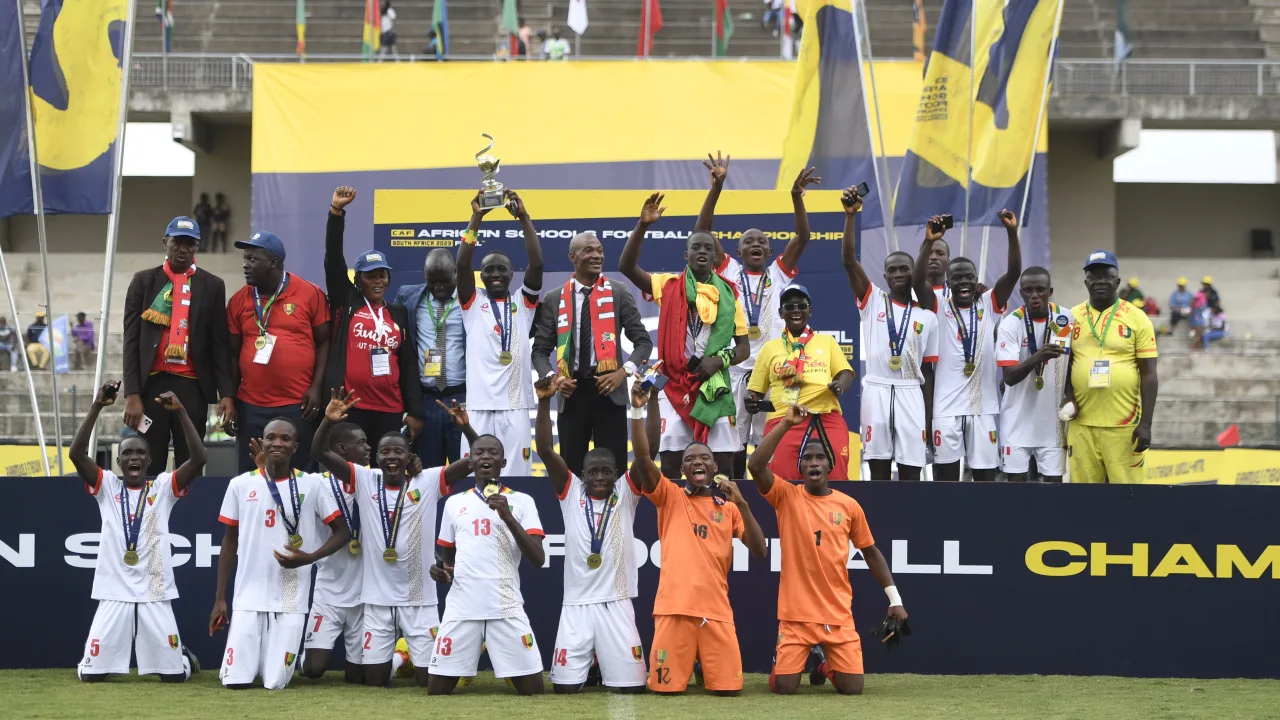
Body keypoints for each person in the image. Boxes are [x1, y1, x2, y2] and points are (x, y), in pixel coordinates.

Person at [315, 389, 476, 687]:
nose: (391, 457)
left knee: (429, 682)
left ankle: (421, 658)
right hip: (377, 602)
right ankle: (401, 658)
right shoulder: (364, 479)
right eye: (385, 452)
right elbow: (319, 454)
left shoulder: (426, 480)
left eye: (398, 452)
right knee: (373, 680)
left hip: (419, 601)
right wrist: (326, 421)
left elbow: (474, 461)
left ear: (409, 456)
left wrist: (465, 427)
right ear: (375, 458)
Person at [749, 404, 908, 696]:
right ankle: (783, 664)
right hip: (796, 616)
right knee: (784, 688)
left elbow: (871, 552)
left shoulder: (848, 506)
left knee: (853, 689)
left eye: (820, 457)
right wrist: (786, 423)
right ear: (800, 466)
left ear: (829, 464)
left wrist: (894, 598)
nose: (813, 463)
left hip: (837, 613)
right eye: (807, 458)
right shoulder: (786, 496)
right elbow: (756, 465)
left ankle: (822, 666)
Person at [627, 380, 766, 695]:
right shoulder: (670, 497)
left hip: (715, 612)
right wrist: (637, 410)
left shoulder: (729, 508)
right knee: (666, 691)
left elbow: (760, 550)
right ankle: (693, 662)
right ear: (682, 468)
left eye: (704, 458)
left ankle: (702, 662)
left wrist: (742, 503)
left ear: (715, 467)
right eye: (690, 459)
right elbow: (644, 460)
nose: (697, 462)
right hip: (673, 611)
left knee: (729, 692)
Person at [70, 381, 205, 683]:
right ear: (118, 461)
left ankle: (180, 656)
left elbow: (198, 460)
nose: (133, 457)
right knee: (91, 677)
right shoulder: (106, 486)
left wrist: (181, 411)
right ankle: (91, 660)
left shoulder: (162, 488)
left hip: (155, 589)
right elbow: (76, 454)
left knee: (173, 678)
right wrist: (97, 406)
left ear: (149, 460)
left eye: (139, 453)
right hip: (114, 589)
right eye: (127, 453)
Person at [696, 153, 819, 476]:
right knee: (733, 446)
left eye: (761, 242)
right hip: (735, 370)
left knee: (770, 443)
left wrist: (796, 198)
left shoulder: (779, 273)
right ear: (737, 252)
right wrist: (717, 187)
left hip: (774, 371)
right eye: (748, 241)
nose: (755, 244)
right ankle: (738, 499)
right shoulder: (728, 271)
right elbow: (703, 231)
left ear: (768, 252)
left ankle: (769, 500)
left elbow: (803, 237)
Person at [210, 417, 351, 690]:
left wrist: (310, 558)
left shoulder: (311, 484)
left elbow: (342, 533)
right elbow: (229, 544)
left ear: (295, 446)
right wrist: (220, 599)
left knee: (275, 683)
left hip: (291, 595)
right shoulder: (241, 485)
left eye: (285, 439)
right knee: (235, 682)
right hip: (249, 594)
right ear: (262, 442)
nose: (277, 442)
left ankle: (287, 658)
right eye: (271, 437)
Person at [618, 192, 749, 479]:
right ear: (686, 256)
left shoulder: (729, 295)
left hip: (714, 386)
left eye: (708, 248)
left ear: (716, 257)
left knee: (723, 467)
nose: (702, 251)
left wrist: (719, 360)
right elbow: (626, 267)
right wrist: (642, 226)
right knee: (674, 467)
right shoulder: (668, 286)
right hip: (675, 386)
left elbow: (743, 348)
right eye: (695, 247)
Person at [533, 378, 647, 694]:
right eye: (593, 471)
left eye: (606, 471)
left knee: (632, 689)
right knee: (565, 690)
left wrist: (640, 410)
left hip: (616, 603)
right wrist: (544, 402)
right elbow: (543, 448)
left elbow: (646, 454)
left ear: (616, 474)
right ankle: (593, 661)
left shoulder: (626, 492)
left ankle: (605, 659)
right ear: (582, 474)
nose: (599, 476)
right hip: (577, 604)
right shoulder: (570, 492)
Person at [426, 434, 548, 696]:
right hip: (462, 606)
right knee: (436, 691)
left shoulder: (522, 501)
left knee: (534, 690)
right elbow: (447, 560)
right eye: (479, 453)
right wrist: (441, 572)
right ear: (469, 462)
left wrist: (508, 516)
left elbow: (538, 559)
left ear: (503, 462)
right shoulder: (454, 503)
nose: (486, 457)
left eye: (493, 453)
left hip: (505, 604)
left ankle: (501, 660)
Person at [837, 188, 937, 482]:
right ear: (884, 276)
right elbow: (848, 261)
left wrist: (928, 419)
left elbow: (928, 371)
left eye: (904, 269)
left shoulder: (926, 315)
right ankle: (878, 526)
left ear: (913, 273)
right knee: (877, 466)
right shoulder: (872, 300)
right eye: (891, 270)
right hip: (877, 389)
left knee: (911, 468)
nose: (897, 274)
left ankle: (911, 525)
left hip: (910, 391)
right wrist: (850, 215)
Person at [532, 231, 651, 476]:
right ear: (572, 257)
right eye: (589, 251)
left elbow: (643, 342)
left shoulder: (618, 291)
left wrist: (623, 372)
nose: (597, 255)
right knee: (571, 474)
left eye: (600, 250)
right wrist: (555, 379)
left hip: (610, 391)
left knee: (614, 471)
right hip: (571, 392)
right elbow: (540, 352)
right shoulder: (555, 298)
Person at [914, 210, 1021, 482]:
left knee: (984, 480)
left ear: (976, 282)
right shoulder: (937, 307)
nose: (964, 282)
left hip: (983, 408)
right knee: (947, 482)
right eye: (958, 278)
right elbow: (917, 282)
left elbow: (1014, 273)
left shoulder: (988, 303)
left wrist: (1011, 233)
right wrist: (928, 243)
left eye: (968, 278)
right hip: (946, 408)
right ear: (949, 283)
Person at [123, 216, 234, 476]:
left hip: (192, 387)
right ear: (165, 243)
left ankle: (188, 515)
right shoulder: (143, 282)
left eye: (190, 243)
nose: (183, 249)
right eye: (177, 242)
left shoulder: (212, 285)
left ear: (197, 247)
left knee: (191, 462)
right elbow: (131, 341)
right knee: (151, 461)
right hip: (151, 386)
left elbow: (219, 344)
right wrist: (132, 393)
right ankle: (150, 517)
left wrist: (227, 393)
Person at [325, 187, 425, 447]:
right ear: (358, 280)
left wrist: (414, 411)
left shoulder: (398, 314)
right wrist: (337, 212)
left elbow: (408, 365)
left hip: (390, 409)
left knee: (386, 472)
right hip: (351, 407)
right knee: (352, 473)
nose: (378, 281)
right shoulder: (347, 302)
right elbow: (333, 259)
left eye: (382, 274)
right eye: (370, 275)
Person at [456, 190, 544, 476]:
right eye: (489, 269)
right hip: (479, 407)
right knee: (473, 477)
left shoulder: (523, 302)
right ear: (481, 275)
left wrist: (524, 218)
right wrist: (476, 217)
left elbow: (538, 264)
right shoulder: (472, 302)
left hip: (514, 407)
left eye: (502, 269)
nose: (495, 273)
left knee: (517, 477)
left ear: (511, 274)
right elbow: (461, 264)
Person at [227, 231, 330, 473]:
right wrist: (229, 398)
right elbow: (231, 354)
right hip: (251, 405)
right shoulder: (237, 300)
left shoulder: (310, 293)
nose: (245, 264)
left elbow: (325, 342)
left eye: (253, 259)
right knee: (251, 476)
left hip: (298, 404)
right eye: (245, 258)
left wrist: (316, 388)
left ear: (274, 262)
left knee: (301, 475)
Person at [1063, 250, 1158, 484]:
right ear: (1086, 282)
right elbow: (1062, 365)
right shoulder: (1070, 317)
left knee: (1129, 497)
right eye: (1094, 276)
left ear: (1117, 280)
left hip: (1124, 427)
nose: (1100, 281)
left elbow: (1149, 374)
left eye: (1106, 275)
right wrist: (1068, 396)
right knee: (1084, 500)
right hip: (1082, 425)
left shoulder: (1137, 318)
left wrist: (1145, 424)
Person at [746, 284, 855, 479]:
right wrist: (751, 399)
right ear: (781, 313)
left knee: (837, 475)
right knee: (782, 478)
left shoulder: (826, 341)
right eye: (789, 307)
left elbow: (845, 373)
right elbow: (755, 390)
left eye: (801, 306)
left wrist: (840, 386)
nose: (796, 310)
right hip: (783, 419)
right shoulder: (770, 348)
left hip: (825, 416)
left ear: (809, 310)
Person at [299, 421, 370, 685]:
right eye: (361, 442)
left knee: (360, 677)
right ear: (341, 448)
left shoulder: (373, 480)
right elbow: (314, 454)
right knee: (314, 670)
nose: (368, 447)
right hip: (329, 592)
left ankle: (400, 656)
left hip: (366, 594)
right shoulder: (316, 483)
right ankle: (299, 655)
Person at [394, 249, 468, 467]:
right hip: (425, 402)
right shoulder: (407, 297)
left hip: (461, 398)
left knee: (463, 471)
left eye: (444, 281)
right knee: (426, 473)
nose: (438, 288)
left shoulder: (473, 299)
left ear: (455, 272)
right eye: (431, 282)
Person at [995, 268, 1071, 482]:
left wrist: (1070, 395)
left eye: (1040, 290)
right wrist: (1038, 356)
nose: (1034, 295)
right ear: (1021, 293)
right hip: (1016, 422)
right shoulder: (1010, 324)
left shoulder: (1065, 318)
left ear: (1051, 291)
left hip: (1053, 423)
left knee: (1053, 492)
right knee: (1016, 494)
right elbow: (1009, 377)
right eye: (1028, 291)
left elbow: (1071, 361)